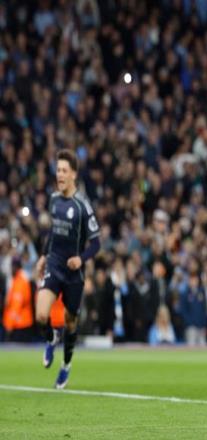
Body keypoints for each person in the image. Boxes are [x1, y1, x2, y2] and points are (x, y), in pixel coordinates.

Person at [35, 149, 101, 389]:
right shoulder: (54, 199)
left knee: (70, 322)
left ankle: (66, 365)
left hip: (74, 273)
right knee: (41, 315)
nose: (59, 175)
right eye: (58, 170)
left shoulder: (83, 206)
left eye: (64, 171)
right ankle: (52, 336)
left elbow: (96, 243)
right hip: (54, 264)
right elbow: (53, 232)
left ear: (73, 174)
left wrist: (81, 259)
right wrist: (44, 256)